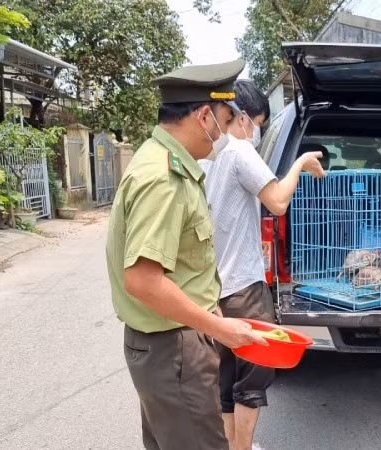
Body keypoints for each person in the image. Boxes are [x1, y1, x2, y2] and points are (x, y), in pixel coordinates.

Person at [105, 59, 267, 450]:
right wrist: (220, 329)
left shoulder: (164, 161)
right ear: (204, 116)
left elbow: (180, 265)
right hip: (174, 349)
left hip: (169, 345)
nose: (226, 134)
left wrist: (211, 314)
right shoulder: (164, 177)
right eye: (225, 121)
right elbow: (142, 279)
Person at [199, 80, 325, 450]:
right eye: (258, 123)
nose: (257, 132)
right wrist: (300, 163)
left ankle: (231, 446)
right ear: (241, 117)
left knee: (226, 378)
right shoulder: (240, 150)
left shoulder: (206, 155)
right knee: (252, 379)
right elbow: (278, 202)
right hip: (245, 288)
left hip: (215, 290)